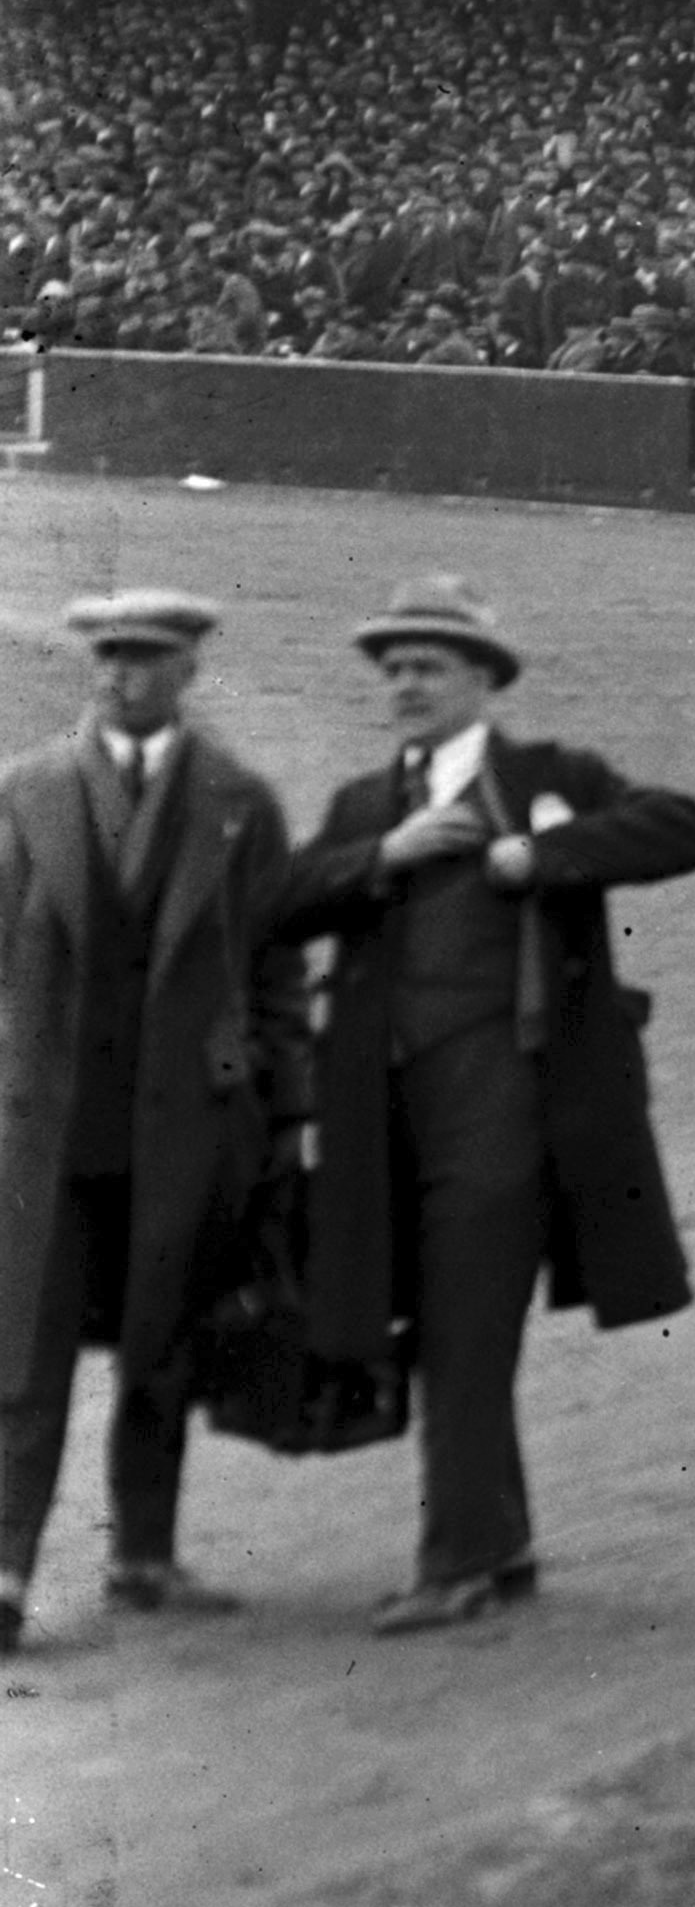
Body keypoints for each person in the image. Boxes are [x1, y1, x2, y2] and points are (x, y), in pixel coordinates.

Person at [279, 574, 695, 1635]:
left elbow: (683, 828)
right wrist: (382, 857)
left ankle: (457, 1564)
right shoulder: (365, 807)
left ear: (484, 679)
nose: (405, 685)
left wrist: (544, 856)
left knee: (466, 1325)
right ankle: (500, 1541)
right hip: (389, 1119)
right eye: (392, 668)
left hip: (514, 1108)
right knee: (440, 1327)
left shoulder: (550, 777)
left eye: (428, 666)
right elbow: (272, 906)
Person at [1, 591, 315, 1651]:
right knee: (23, 1351)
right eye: (107, 655)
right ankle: (5, 1570)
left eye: (143, 658)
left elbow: (269, 972)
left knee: (161, 1341)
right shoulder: (28, 792)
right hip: (52, 1127)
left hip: (186, 1131)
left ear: (189, 670)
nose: (117, 675)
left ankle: (142, 1555)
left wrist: (261, 1099)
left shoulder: (239, 803)